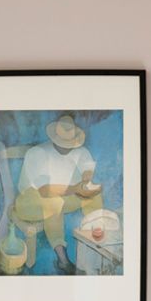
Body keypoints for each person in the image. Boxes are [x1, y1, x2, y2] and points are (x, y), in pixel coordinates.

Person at [14, 115, 103, 274]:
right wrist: (76, 188)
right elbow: (45, 191)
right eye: (64, 142)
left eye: (70, 142)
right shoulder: (38, 153)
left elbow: (87, 167)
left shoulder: (79, 150)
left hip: (61, 196)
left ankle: (97, 241)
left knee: (93, 196)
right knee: (54, 203)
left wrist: (85, 182)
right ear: (55, 137)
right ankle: (63, 260)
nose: (68, 146)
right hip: (29, 201)